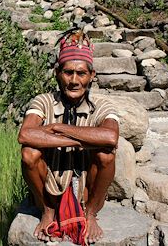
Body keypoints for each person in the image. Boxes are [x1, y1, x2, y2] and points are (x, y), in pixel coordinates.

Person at [18, 30, 119, 244]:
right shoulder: (44, 101)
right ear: (57, 73)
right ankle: (47, 210)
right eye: (68, 72)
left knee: (106, 154)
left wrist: (57, 128)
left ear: (91, 76)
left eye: (81, 73)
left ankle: (90, 213)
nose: (74, 80)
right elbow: (26, 134)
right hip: (49, 185)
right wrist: (86, 140)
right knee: (29, 153)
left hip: (85, 188)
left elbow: (110, 137)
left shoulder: (101, 105)